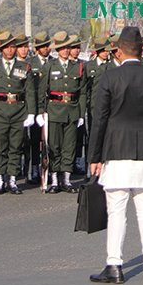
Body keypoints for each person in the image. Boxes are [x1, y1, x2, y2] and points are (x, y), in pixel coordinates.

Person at [88, 26, 143, 284]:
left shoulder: (110, 78)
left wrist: (94, 156)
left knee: (117, 210)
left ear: (120, 51)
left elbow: (99, 119)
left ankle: (115, 266)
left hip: (116, 149)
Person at [0, 31, 36, 195]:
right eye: (6, 48)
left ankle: (12, 180)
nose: (10, 51)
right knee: (0, 147)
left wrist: (31, 113)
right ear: (1, 50)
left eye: (12, 47)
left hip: (18, 111)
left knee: (15, 147)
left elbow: (30, 92)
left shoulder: (24, 67)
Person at [37, 30, 87, 193]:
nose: (66, 50)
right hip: (54, 110)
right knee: (54, 146)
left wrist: (81, 114)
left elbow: (82, 92)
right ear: (57, 49)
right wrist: (40, 112)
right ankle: (54, 180)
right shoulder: (49, 66)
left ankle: (66, 179)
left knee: (69, 146)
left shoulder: (78, 66)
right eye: (63, 48)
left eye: (68, 47)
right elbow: (42, 91)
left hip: (72, 110)